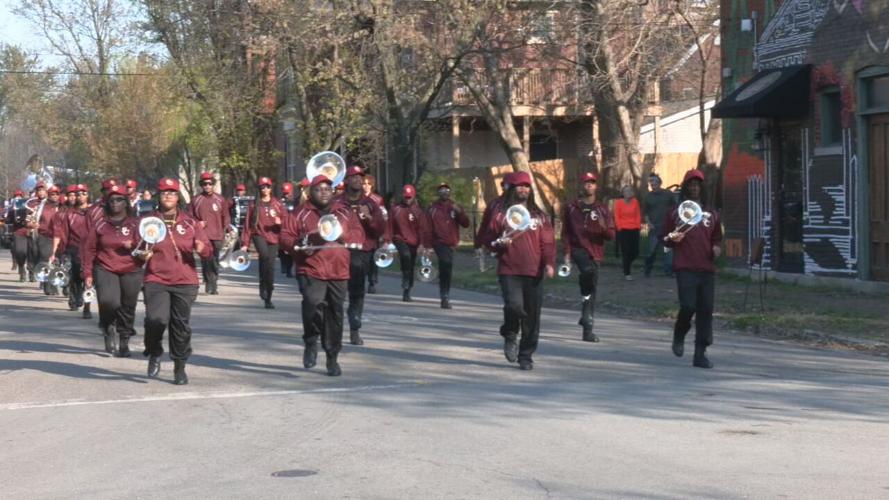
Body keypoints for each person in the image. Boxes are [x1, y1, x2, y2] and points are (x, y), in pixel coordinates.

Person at [281, 175, 362, 376]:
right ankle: (311, 341)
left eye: (327, 188)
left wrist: (344, 235)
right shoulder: (300, 213)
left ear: (333, 191)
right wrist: (298, 246)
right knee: (312, 303)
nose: (323, 192)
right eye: (319, 189)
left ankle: (332, 357)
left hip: (338, 269)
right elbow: (285, 236)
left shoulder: (343, 212)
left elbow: (358, 234)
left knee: (335, 314)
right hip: (311, 268)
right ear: (311, 192)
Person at [481, 171, 555, 370]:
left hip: (534, 271)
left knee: (532, 315)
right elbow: (489, 239)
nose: (523, 189)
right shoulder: (500, 214)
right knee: (514, 306)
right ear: (512, 189)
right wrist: (499, 244)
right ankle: (510, 332)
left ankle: (526, 356)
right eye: (519, 186)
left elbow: (547, 243)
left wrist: (549, 263)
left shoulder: (539, 216)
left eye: (527, 186)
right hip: (509, 268)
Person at [141, 178, 212, 385]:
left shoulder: (190, 223)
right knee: (156, 320)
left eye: (172, 192)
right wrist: (140, 255)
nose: (168, 196)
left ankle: (179, 366)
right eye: (164, 193)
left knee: (180, 326)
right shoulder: (148, 222)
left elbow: (208, 251)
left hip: (185, 281)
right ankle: (154, 351)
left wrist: (202, 249)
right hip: (156, 278)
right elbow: (137, 250)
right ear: (159, 196)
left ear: (178, 196)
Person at [662, 169, 722, 369]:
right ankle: (680, 333)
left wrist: (716, 248)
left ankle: (700, 353)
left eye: (698, 185)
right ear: (686, 187)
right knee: (688, 306)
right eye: (691, 185)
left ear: (702, 188)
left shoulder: (712, 213)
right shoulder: (676, 212)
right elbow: (665, 238)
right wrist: (672, 238)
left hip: (706, 268)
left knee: (705, 310)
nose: (695, 188)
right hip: (685, 267)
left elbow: (717, 238)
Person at [81, 184, 143, 356]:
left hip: (131, 269)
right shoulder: (100, 224)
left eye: (119, 199)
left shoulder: (136, 224)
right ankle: (108, 327)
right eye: (111, 200)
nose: (115, 203)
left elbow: (146, 247)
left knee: (127, 307)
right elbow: (90, 249)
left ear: (126, 202)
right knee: (109, 302)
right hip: (105, 268)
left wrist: (134, 246)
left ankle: (124, 340)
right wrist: (87, 273)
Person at [561, 172, 615, 342]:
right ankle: (586, 317)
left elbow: (611, 236)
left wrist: (603, 227)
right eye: (586, 183)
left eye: (592, 183)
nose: (589, 185)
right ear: (581, 185)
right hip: (579, 250)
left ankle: (587, 328)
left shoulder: (602, 209)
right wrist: (567, 254)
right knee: (587, 271)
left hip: (596, 253)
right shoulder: (571, 208)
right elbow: (566, 233)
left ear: (596, 186)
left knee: (591, 290)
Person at [338, 166, 385, 345]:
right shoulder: (336, 203)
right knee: (337, 294)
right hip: (339, 251)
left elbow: (380, 228)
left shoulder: (371, 203)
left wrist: (369, 218)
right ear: (346, 181)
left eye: (360, 177)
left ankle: (354, 329)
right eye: (354, 177)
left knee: (357, 292)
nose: (358, 180)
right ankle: (333, 330)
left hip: (361, 252)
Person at [240, 177, 285, 309]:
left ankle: (268, 294)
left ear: (271, 188)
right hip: (259, 235)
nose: (265, 189)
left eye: (267, 187)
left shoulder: (277, 204)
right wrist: (244, 244)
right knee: (264, 256)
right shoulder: (254, 205)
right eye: (262, 187)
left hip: (274, 237)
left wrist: (280, 223)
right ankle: (262, 285)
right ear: (259, 189)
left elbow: (287, 222)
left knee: (270, 267)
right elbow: (248, 225)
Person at [51, 184, 91, 317]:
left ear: (87, 195)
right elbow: (63, 234)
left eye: (83, 193)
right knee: (74, 277)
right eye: (77, 194)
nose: (79, 196)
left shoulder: (93, 212)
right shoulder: (69, 214)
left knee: (88, 279)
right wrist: (60, 252)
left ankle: (87, 307)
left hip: (91, 250)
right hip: (73, 249)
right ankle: (74, 300)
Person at [427, 182, 469, 309]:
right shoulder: (433, 208)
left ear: (449, 192)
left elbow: (466, 223)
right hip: (438, 242)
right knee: (445, 263)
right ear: (438, 193)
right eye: (441, 190)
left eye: (446, 190)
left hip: (451, 243)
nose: (444, 192)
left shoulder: (455, 207)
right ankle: (444, 296)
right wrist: (427, 245)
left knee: (447, 268)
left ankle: (445, 294)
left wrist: (459, 212)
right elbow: (426, 227)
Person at [189, 171, 231, 295]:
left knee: (214, 260)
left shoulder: (220, 199)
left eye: (210, 183)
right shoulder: (196, 200)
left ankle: (214, 283)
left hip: (217, 234)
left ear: (213, 184)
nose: (207, 186)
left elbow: (226, 216)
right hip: (203, 236)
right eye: (205, 184)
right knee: (206, 260)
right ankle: (208, 281)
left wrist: (227, 228)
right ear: (201, 185)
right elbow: (190, 218)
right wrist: (197, 223)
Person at [390, 184, 431, 302]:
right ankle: (405, 279)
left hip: (414, 242)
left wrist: (423, 244)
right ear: (402, 196)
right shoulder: (396, 209)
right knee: (405, 255)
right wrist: (387, 240)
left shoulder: (418, 211)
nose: (407, 199)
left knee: (410, 265)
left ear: (413, 197)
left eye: (410, 197)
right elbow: (390, 226)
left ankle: (407, 290)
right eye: (406, 197)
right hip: (399, 239)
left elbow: (423, 229)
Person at [643, 173, 676, 277]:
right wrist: (649, 223)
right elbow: (645, 213)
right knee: (651, 251)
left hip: (667, 228)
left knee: (668, 250)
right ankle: (647, 269)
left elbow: (675, 209)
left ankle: (668, 271)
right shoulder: (648, 196)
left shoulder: (668, 194)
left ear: (659, 183)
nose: (651, 183)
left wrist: (673, 221)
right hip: (654, 228)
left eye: (653, 181)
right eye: (650, 181)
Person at [362, 174, 386, 294]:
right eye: (364, 184)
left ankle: (372, 281)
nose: (366, 186)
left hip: (373, 231)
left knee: (373, 257)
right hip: (360, 231)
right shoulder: (357, 198)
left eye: (368, 184)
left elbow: (383, 216)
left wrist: (382, 232)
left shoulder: (378, 199)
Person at [36, 185, 61, 294]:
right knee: (47, 260)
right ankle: (47, 285)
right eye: (52, 194)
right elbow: (37, 220)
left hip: (59, 237)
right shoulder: (42, 206)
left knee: (56, 262)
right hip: (45, 236)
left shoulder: (62, 206)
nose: (54, 196)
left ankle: (55, 284)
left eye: (56, 194)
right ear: (48, 195)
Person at [614, 185, 641, 280]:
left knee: (635, 252)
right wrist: (619, 227)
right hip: (623, 229)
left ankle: (626, 264)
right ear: (623, 193)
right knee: (626, 251)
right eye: (626, 191)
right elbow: (616, 216)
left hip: (634, 229)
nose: (628, 193)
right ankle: (627, 272)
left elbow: (638, 215)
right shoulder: (618, 203)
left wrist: (638, 226)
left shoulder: (635, 202)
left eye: (630, 191)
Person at [278, 181, 297, 278]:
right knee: (282, 248)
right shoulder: (279, 203)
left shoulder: (295, 201)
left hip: (293, 227)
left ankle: (290, 268)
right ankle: (284, 264)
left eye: (288, 193)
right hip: (282, 226)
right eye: (285, 193)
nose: (287, 195)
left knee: (292, 248)